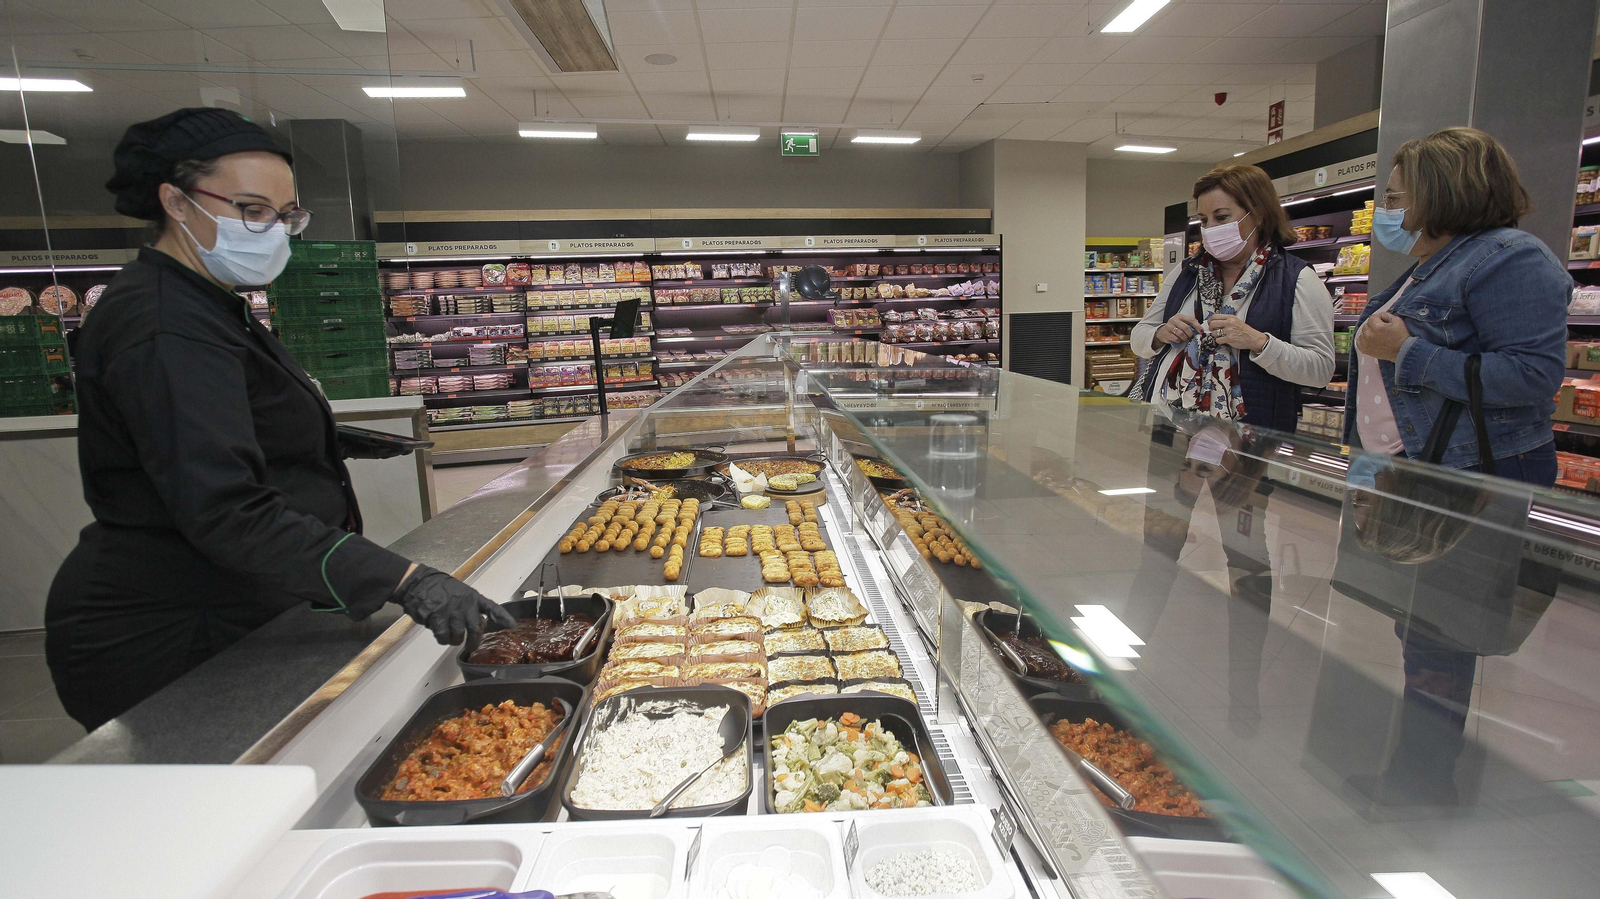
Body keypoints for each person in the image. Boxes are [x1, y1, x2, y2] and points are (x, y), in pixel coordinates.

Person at [46, 108, 514, 732]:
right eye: (251, 209)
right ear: (177, 203)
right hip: (170, 629)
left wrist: (321, 440)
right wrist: (404, 578)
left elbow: (202, 429)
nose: (274, 230)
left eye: (286, 213)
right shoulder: (165, 323)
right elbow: (224, 509)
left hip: (225, 600)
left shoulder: (204, 304)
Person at [1338, 126, 1569, 804]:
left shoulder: (1509, 259)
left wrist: (1409, 351)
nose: (1386, 208)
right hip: (1418, 477)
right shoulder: (1434, 262)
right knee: (1422, 629)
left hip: (1472, 480)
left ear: (1443, 192)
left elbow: (1531, 375)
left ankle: (1420, 783)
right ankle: (1417, 771)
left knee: (1442, 635)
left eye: (1396, 194)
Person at [1124, 166, 1335, 726]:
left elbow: (1319, 367)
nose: (1211, 230)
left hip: (1248, 444)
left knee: (1247, 564)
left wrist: (1258, 342)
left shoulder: (1296, 279)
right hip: (1178, 436)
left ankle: (1244, 694)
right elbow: (1139, 335)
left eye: (1222, 217)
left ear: (1257, 214)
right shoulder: (1188, 276)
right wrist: (1159, 334)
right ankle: (1124, 667)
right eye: (1204, 219)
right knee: (1158, 547)